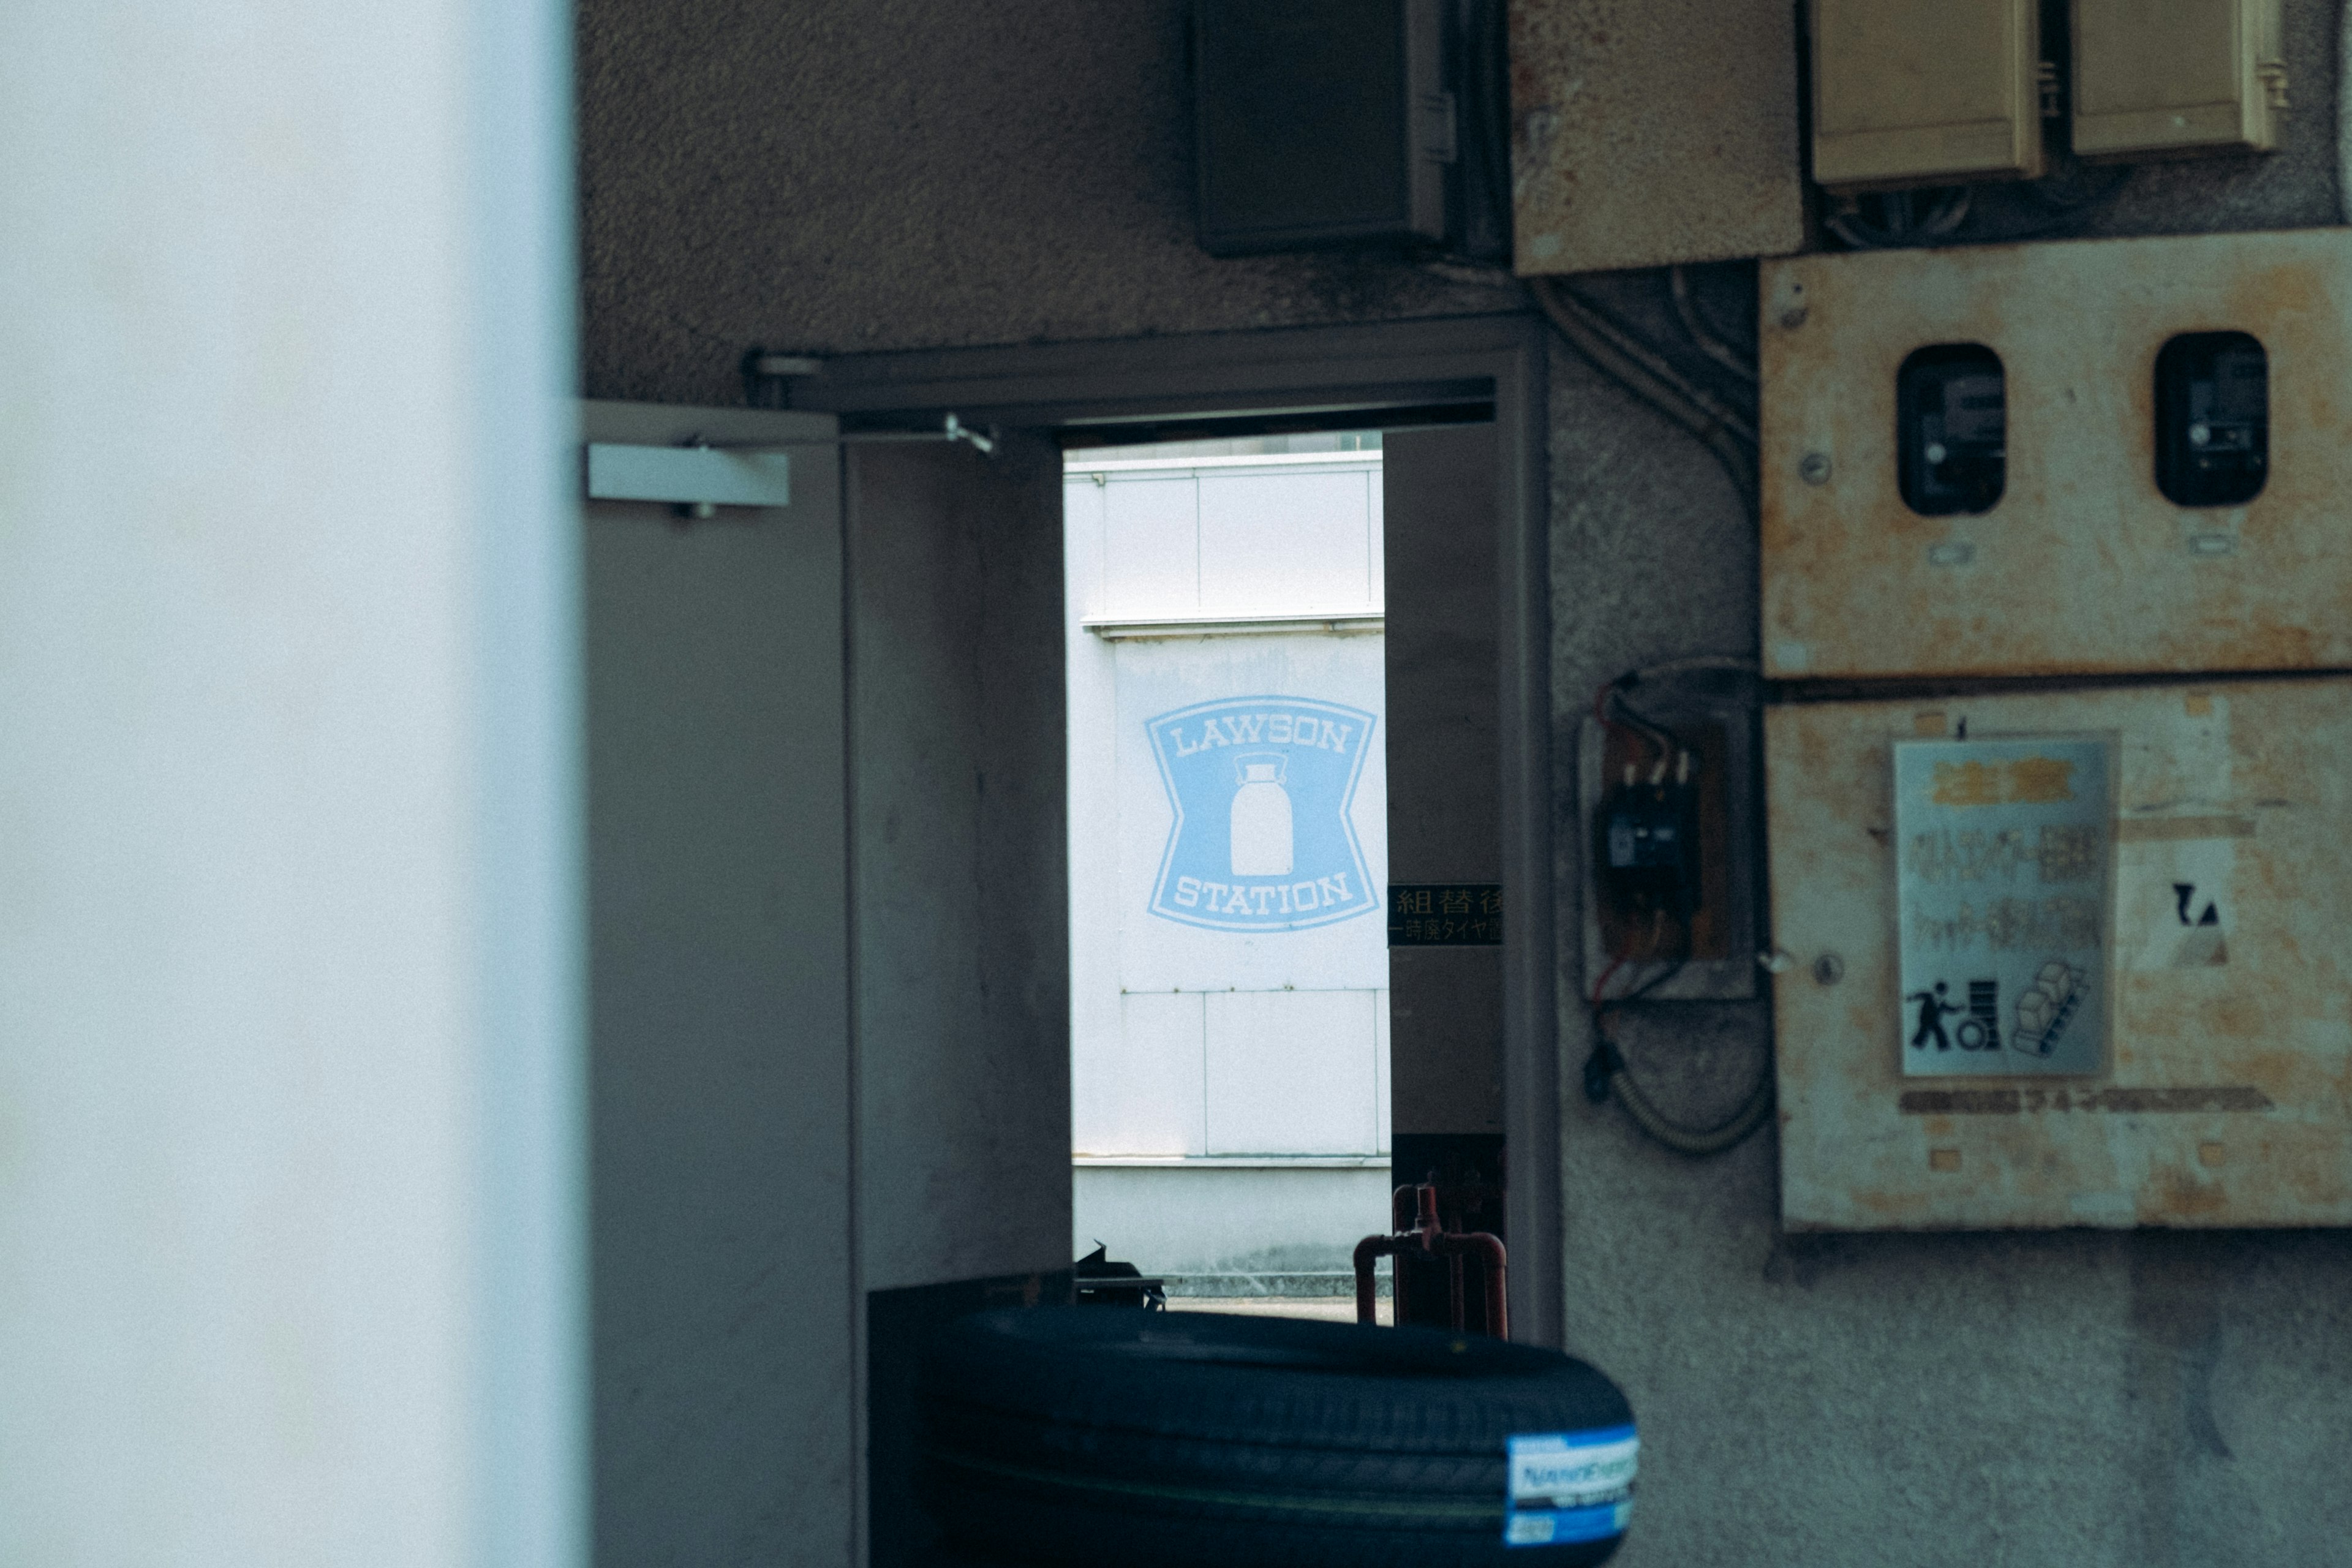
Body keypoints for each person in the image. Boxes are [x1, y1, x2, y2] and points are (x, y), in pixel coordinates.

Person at [1907, 980, 1961, 1050]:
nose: (1941, 993)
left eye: (1943, 991)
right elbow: (1920, 995)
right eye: (1941, 990)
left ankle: (1943, 1046)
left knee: (1938, 1032)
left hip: (1934, 1021)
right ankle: (1917, 1043)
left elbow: (1950, 1009)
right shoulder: (1929, 996)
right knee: (1924, 1031)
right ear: (1937, 990)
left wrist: (1958, 1009)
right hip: (1925, 1019)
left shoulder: (1942, 1003)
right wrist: (1911, 998)